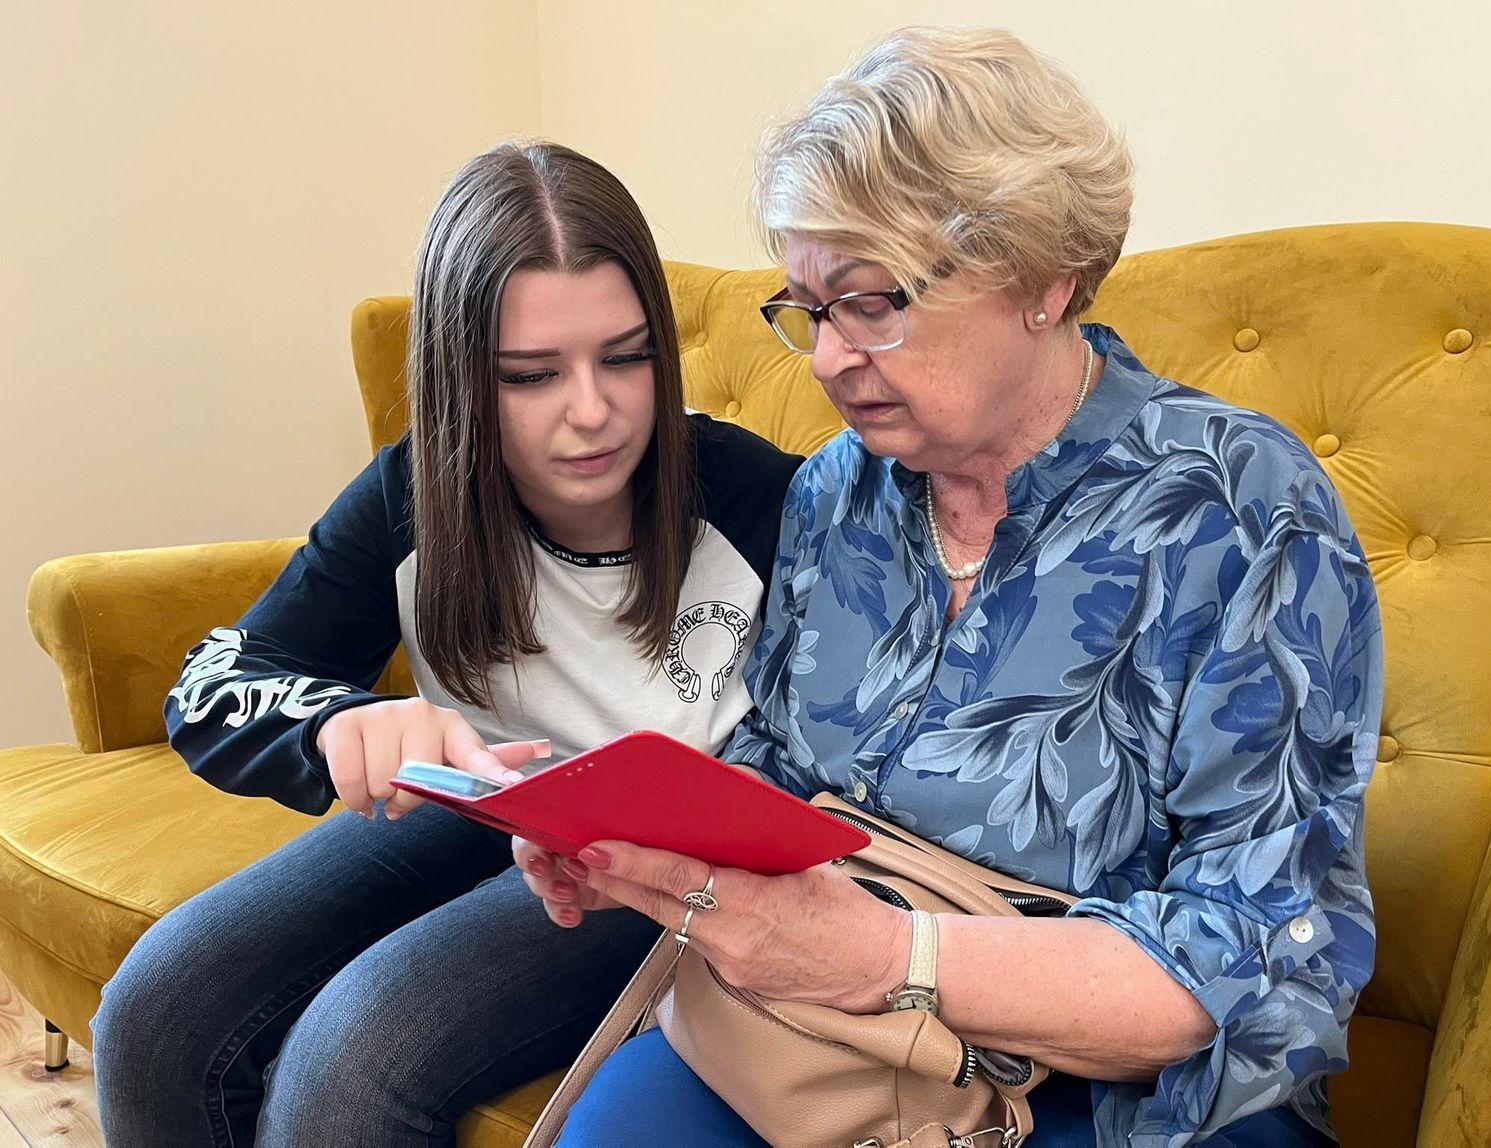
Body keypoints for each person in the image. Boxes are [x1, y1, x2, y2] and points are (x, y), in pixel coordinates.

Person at [531, 27, 1381, 1147]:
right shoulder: (838, 490)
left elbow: (1260, 952)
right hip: (830, 1032)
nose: (828, 358)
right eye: (808, 310)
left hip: (1112, 1079)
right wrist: (636, 840)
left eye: (871, 303)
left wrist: (887, 955)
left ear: (1044, 279)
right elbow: (783, 765)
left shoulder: (1242, 509)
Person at [90, 140, 801, 1147]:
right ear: (461, 379)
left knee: (348, 1065)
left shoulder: (761, 497)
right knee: (154, 1012)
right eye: (531, 375)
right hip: (483, 800)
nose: (592, 411)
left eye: (627, 356)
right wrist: (339, 722)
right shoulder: (415, 493)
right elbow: (211, 684)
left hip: (655, 859)